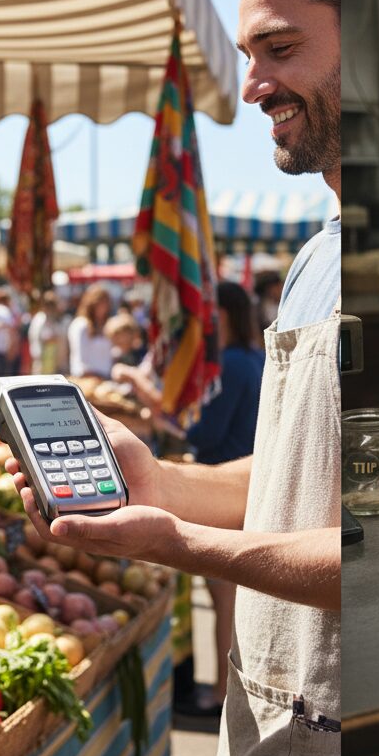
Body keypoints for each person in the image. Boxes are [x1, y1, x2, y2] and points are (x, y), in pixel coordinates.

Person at [8, 0, 341, 756]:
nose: (253, 87)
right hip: (270, 735)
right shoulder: (317, 256)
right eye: (248, 55)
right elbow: (281, 481)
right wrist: (160, 481)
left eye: (279, 49)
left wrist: (177, 545)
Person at [115, 280, 265, 716]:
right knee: (232, 597)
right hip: (240, 482)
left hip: (223, 483)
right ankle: (227, 689)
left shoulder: (234, 364)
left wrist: (157, 412)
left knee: (225, 598)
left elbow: (204, 432)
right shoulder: (254, 358)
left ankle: (221, 694)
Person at [67, 285, 114, 378]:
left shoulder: (106, 326)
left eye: (106, 303)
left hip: (105, 378)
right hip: (86, 380)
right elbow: (80, 360)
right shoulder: (81, 325)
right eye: (101, 303)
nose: (104, 307)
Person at [27, 291, 69, 375]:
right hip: (42, 365)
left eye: (52, 305)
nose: (51, 308)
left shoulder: (61, 320)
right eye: (48, 305)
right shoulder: (39, 319)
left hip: (59, 364)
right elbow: (36, 340)